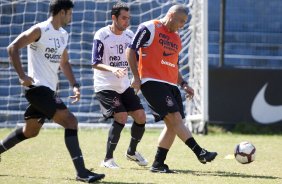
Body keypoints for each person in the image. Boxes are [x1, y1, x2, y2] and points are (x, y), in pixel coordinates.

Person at [1, 0, 105, 182]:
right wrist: (22, 76)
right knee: (71, 122)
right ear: (62, 12)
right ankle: (82, 172)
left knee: (30, 131)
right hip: (37, 89)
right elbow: (13, 48)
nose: (72, 17)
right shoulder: (40, 30)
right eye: (70, 13)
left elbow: (64, 62)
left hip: (48, 90)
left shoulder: (63, 34)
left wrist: (75, 84)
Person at [126, 4, 217, 173]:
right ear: (171, 15)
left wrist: (183, 84)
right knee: (175, 118)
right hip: (152, 82)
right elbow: (131, 50)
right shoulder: (149, 27)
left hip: (171, 85)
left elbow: (174, 65)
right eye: (180, 20)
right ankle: (200, 152)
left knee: (173, 125)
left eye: (184, 22)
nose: (182, 25)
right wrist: (136, 78)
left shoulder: (177, 38)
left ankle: (158, 164)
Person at [91, 2, 148, 169]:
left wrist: (136, 77)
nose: (127, 21)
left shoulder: (130, 35)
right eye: (123, 18)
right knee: (121, 116)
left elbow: (137, 59)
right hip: (105, 85)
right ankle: (107, 160)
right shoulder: (101, 35)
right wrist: (112, 69)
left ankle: (132, 151)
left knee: (141, 116)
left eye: (128, 18)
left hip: (123, 85)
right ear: (113, 17)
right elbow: (95, 62)